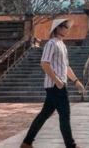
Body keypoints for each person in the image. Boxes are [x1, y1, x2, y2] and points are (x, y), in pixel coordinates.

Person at [21, 19, 85, 148]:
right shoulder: (51, 44)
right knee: (65, 115)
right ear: (58, 28)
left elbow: (66, 66)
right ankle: (71, 145)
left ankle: (26, 143)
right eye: (65, 27)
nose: (68, 29)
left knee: (44, 114)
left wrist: (76, 81)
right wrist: (57, 81)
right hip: (55, 86)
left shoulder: (62, 45)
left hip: (58, 85)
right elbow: (44, 63)